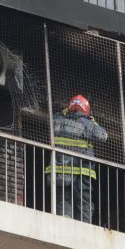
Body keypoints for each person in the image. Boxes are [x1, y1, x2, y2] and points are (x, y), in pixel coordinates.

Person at [46, 94, 108, 224]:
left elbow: (51, 124)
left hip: (60, 170)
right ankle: (85, 227)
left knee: (63, 199)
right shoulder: (86, 123)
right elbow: (102, 136)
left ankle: (63, 225)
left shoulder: (57, 120)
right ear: (85, 109)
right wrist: (92, 120)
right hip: (82, 171)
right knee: (84, 202)